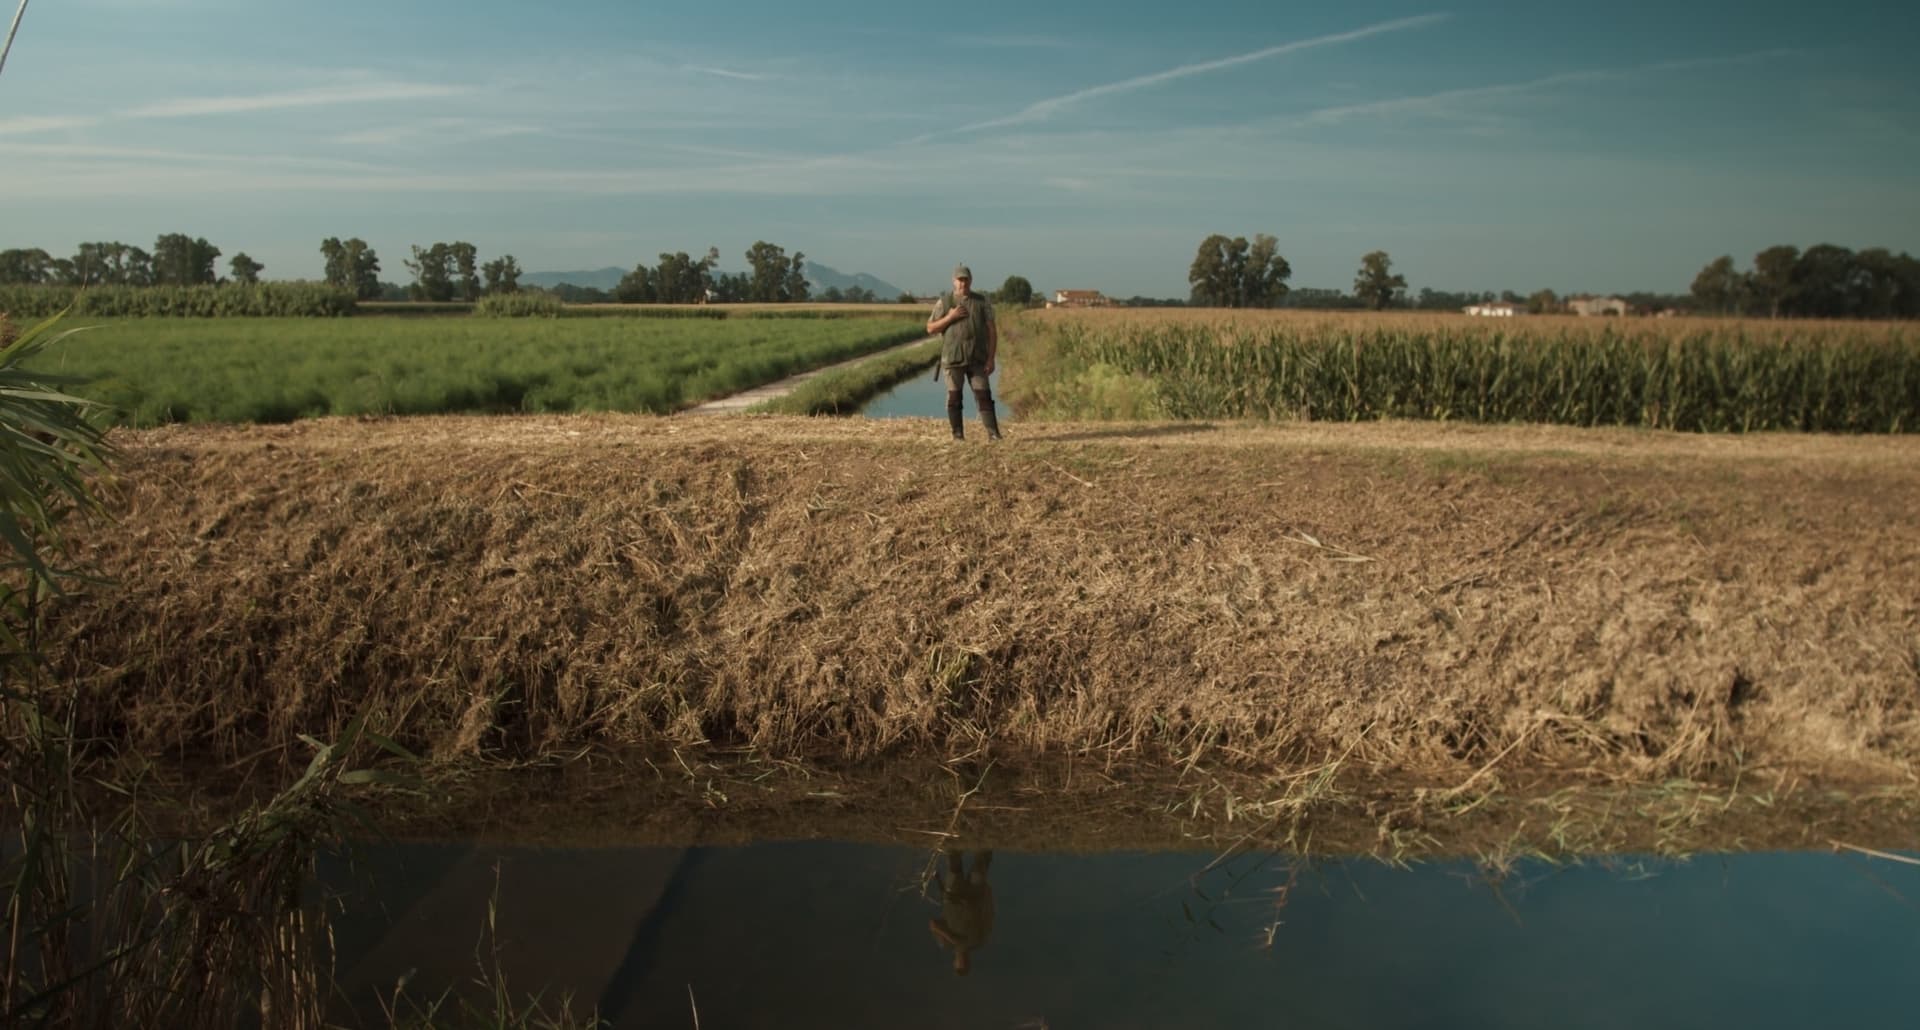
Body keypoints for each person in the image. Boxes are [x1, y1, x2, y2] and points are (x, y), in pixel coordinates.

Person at [926, 265, 1002, 441]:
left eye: (966, 279)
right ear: (953, 281)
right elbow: (930, 328)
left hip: (977, 358)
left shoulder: (982, 302)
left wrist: (991, 359)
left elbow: (992, 330)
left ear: (971, 280)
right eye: (960, 280)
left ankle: (993, 434)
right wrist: (950, 317)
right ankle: (958, 436)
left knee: (984, 395)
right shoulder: (944, 302)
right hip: (953, 359)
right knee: (954, 397)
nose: (963, 283)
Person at [929, 849, 994, 975]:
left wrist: (940, 931)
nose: (962, 961)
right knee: (980, 865)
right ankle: (983, 840)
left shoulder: (945, 944)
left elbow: (934, 924)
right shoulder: (977, 941)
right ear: (969, 962)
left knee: (954, 865)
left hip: (952, 897)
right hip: (973, 896)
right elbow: (987, 917)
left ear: (954, 962)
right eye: (965, 964)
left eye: (960, 964)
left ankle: (954, 838)